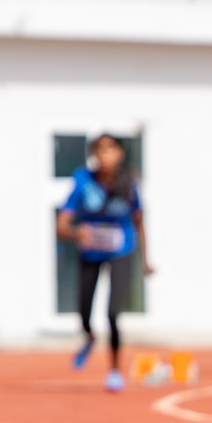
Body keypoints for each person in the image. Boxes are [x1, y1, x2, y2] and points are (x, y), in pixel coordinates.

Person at [56, 133, 152, 393]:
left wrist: (146, 260)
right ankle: (89, 335)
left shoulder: (129, 182)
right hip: (90, 253)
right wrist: (78, 232)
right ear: (93, 155)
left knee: (112, 313)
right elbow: (61, 225)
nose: (105, 155)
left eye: (110, 149)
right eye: (99, 150)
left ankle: (115, 371)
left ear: (120, 153)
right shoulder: (82, 181)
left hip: (121, 250)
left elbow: (139, 221)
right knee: (84, 312)